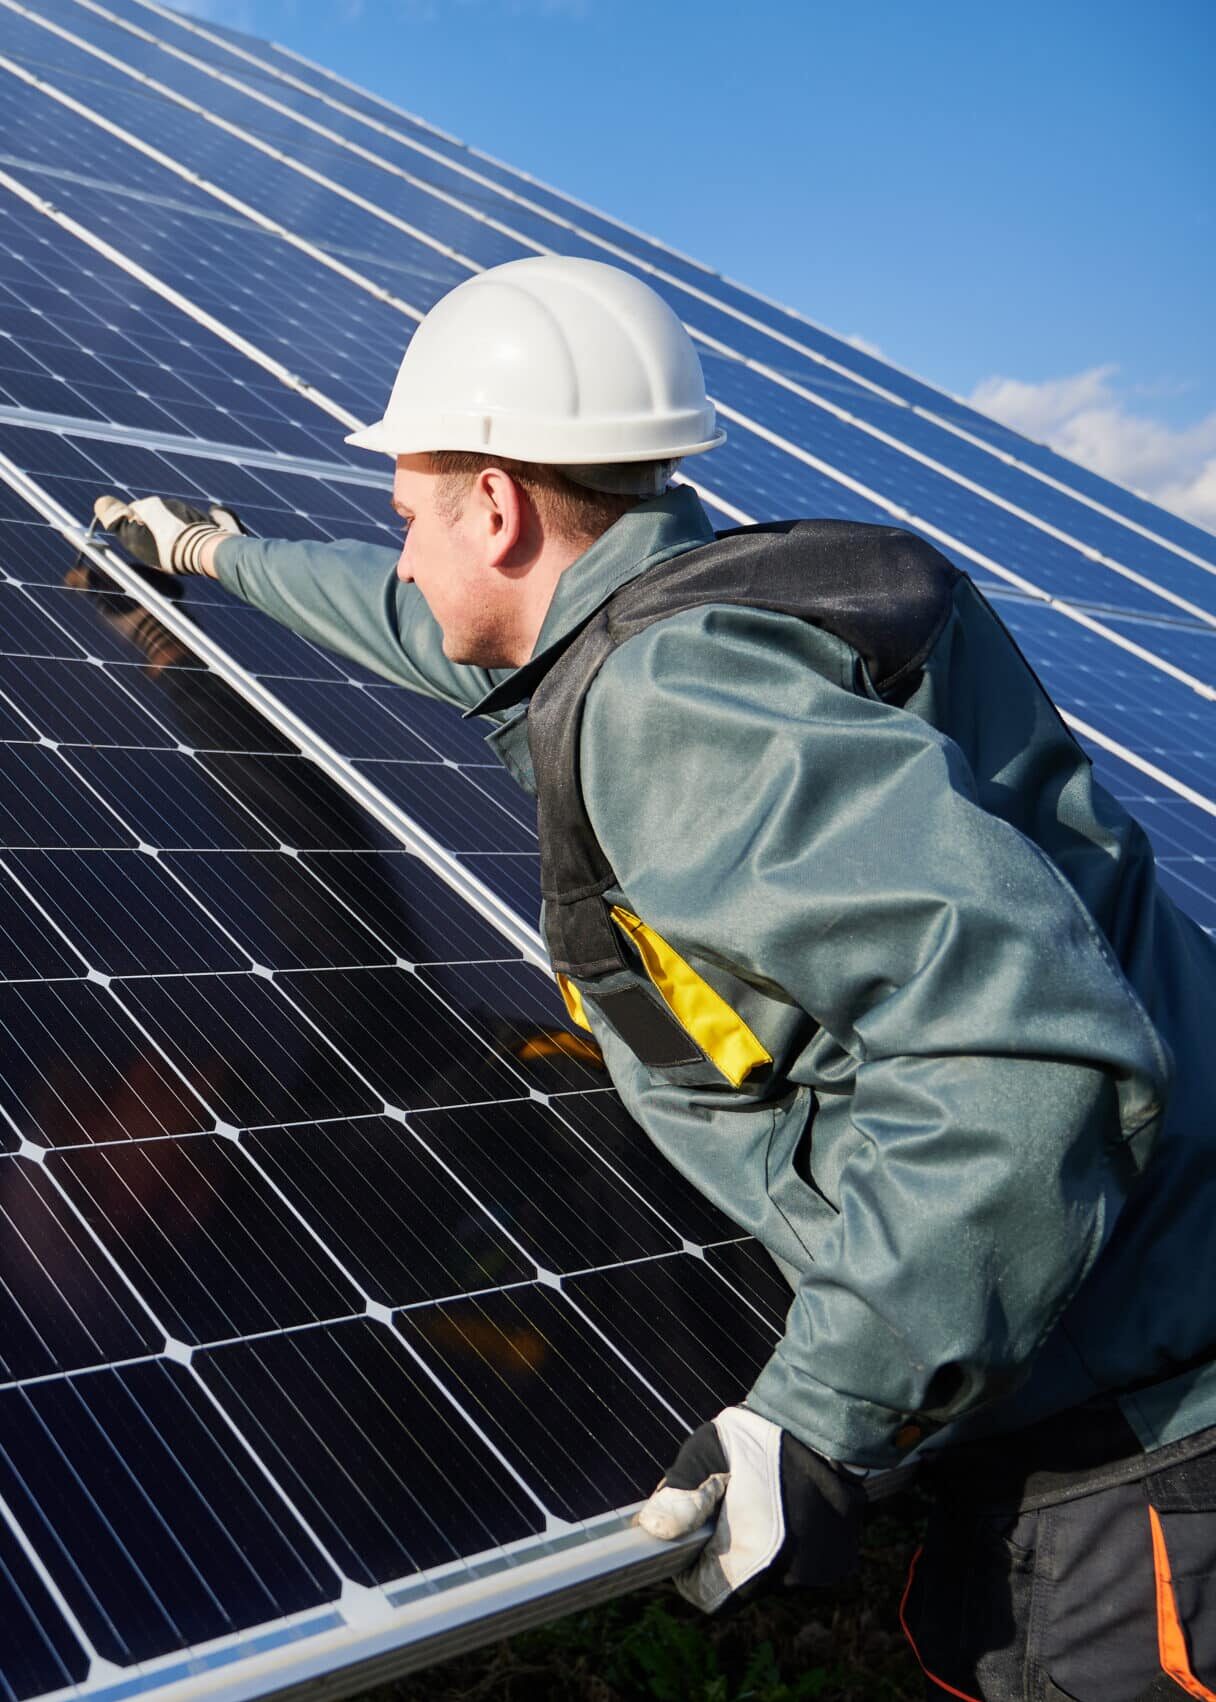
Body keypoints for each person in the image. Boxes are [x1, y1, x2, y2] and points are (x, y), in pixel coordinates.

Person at [94, 255, 1216, 1701]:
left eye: (411, 518)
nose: (406, 558)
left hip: (1146, 1460)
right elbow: (424, 624)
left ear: (495, 506)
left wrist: (816, 1415)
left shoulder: (683, 710)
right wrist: (208, 560)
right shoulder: (691, 608)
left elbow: (1025, 1048)